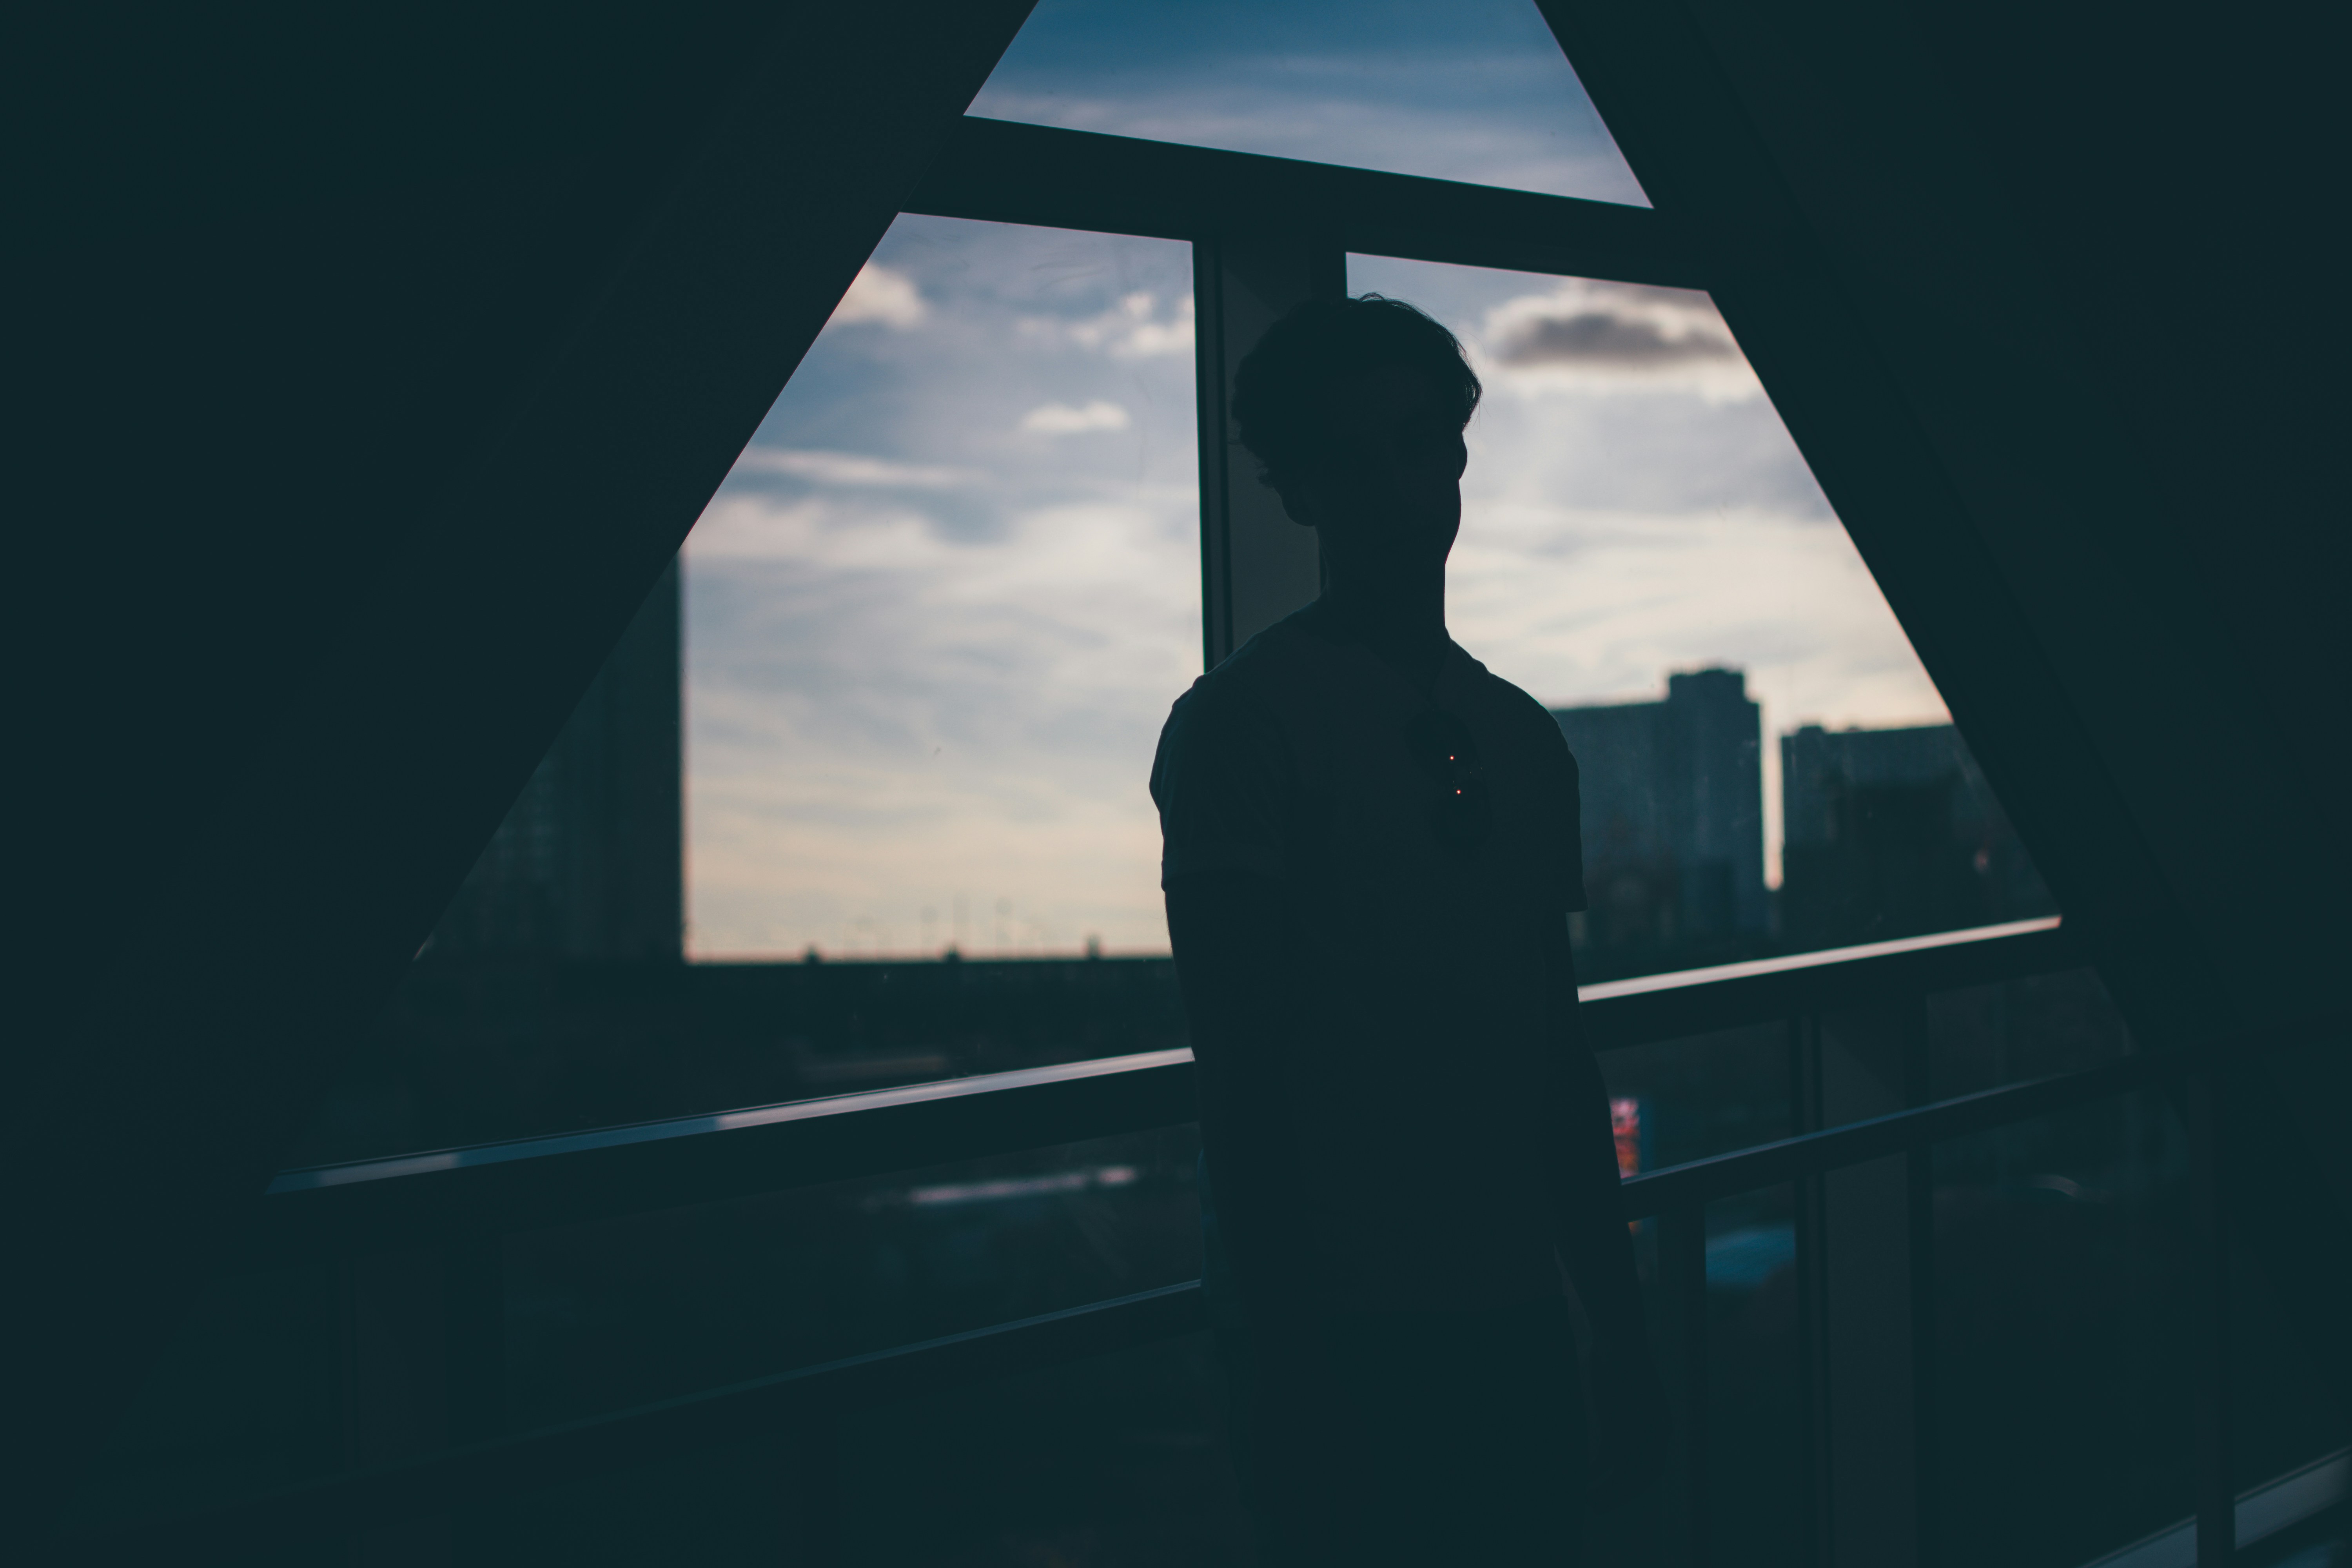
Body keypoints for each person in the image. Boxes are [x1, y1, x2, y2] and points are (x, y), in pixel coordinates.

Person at [1151, 295, 1666, 1564]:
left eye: (1417, 442)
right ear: (1300, 491)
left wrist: (1616, 1324)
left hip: (1505, 1306)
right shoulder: (1241, 725)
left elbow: (1557, 1053)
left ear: (1456, 461)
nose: (1395, 482)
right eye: (1352, 454)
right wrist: (1287, 1358)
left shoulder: (1525, 739)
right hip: (1344, 1324)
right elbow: (1241, 1066)